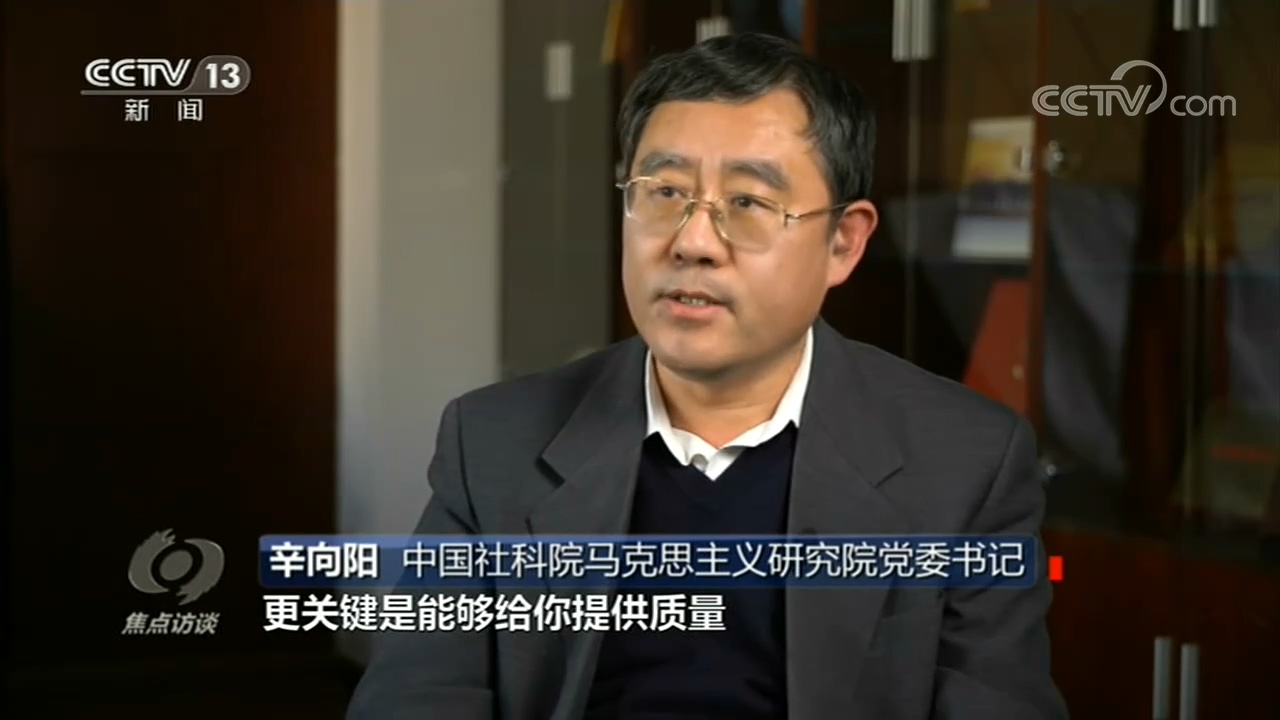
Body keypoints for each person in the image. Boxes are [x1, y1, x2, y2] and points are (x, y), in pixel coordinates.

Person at [347, 32, 1067, 720]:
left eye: (748, 203)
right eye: (663, 192)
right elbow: (417, 697)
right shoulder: (494, 441)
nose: (693, 241)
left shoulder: (965, 464)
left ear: (843, 244)